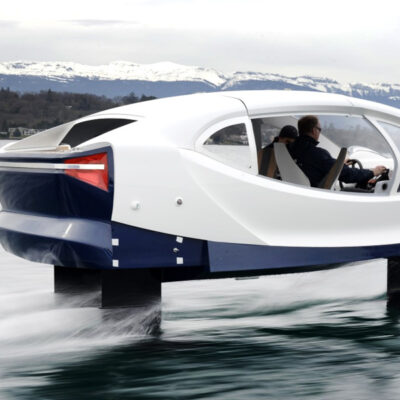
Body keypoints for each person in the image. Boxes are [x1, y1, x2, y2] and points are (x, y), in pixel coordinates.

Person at [288, 115, 386, 188]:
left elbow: (317, 166)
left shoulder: (291, 149)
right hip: (317, 194)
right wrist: (372, 172)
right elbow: (347, 175)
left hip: (299, 191)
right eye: (319, 129)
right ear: (314, 130)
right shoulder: (317, 154)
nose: (319, 132)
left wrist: (339, 165)